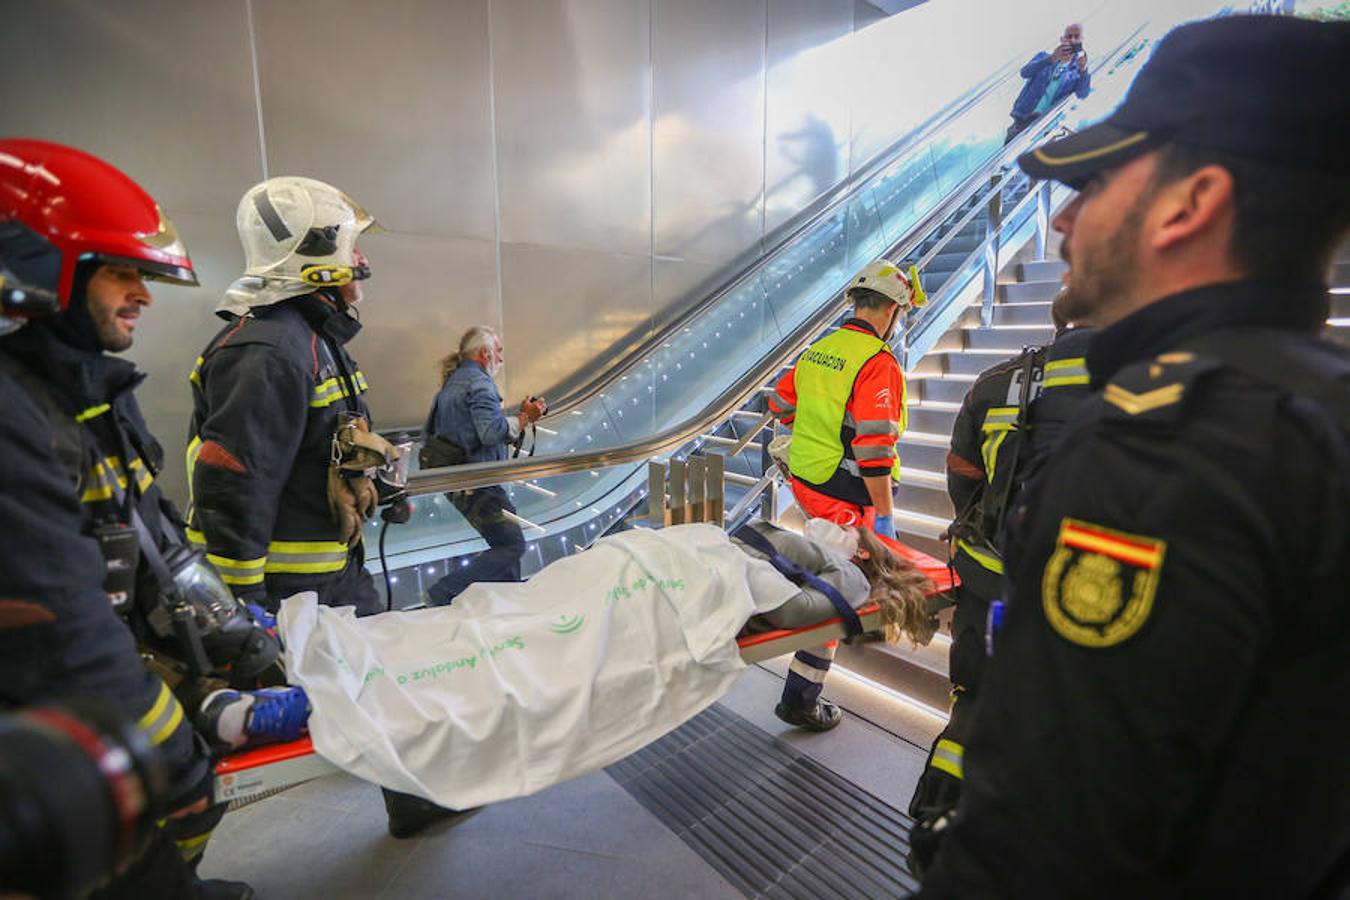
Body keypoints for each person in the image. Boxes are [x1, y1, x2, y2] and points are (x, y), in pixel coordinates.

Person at [918, 17, 1350, 896]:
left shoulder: (1166, 448)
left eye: (1096, 181)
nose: (1068, 217)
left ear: (1189, 204)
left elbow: (1048, 843)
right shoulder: (1317, 405)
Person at [0, 139, 253, 899]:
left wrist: (237, 638)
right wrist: (175, 737)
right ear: (34, 273)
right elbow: (58, 624)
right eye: (121, 272)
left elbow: (153, 536)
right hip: (45, 729)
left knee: (175, 817)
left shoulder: (93, 391)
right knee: (145, 827)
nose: (142, 294)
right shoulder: (12, 415)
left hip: (98, 685)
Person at [187, 176, 461, 838]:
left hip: (329, 570)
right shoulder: (269, 351)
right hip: (293, 586)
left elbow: (324, 443)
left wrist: (375, 478)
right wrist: (240, 610)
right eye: (351, 259)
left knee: (376, 683)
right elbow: (234, 483)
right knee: (355, 690)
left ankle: (415, 800)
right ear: (318, 260)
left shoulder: (310, 341)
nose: (361, 277)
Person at [202, 517, 938, 753]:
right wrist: (842, 597)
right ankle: (329, 686)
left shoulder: (810, 548)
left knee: (498, 624)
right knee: (513, 654)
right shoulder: (832, 569)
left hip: (645, 565)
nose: (845, 525)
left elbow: (782, 605)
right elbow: (792, 617)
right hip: (656, 586)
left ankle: (326, 658)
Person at [907, 299, 1095, 823]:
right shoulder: (1156, 389)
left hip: (988, 583)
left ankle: (937, 818)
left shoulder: (997, 382)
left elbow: (962, 475)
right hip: (1082, 606)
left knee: (972, 704)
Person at [768, 259, 924, 540]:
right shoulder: (878, 362)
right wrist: (885, 515)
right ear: (892, 309)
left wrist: (817, 434)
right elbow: (874, 450)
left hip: (805, 481)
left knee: (825, 562)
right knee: (853, 578)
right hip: (846, 496)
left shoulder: (818, 348)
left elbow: (779, 405)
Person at [736, 519, 935, 731]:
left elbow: (791, 610)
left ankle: (801, 701)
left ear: (862, 552)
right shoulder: (815, 562)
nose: (836, 526)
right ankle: (801, 702)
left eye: (844, 529)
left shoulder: (848, 576)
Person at [423, 326, 547, 606]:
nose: (501, 359)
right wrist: (525, 418)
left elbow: (429, 433)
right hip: (479, 482)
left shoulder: (452, 382)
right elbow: (490, 432)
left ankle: (509, 603)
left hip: (458, 480)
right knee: (511, 544)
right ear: (484, 353)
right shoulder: (479, 383)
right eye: (499, 352)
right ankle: (443, 592)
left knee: (504, 542)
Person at [1005, 23, 1091, 145]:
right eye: (1069, 36)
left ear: (1081, 41)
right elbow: (1025, 73)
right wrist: (1051, 59)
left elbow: (1083, 94)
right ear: (1062, 39)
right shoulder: (1043, 56)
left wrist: (1083, 71)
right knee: (1006, 154)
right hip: (1024, 116)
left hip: (1047, 124)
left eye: (1076, 37)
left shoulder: (1078, 70)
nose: (1072, 40)